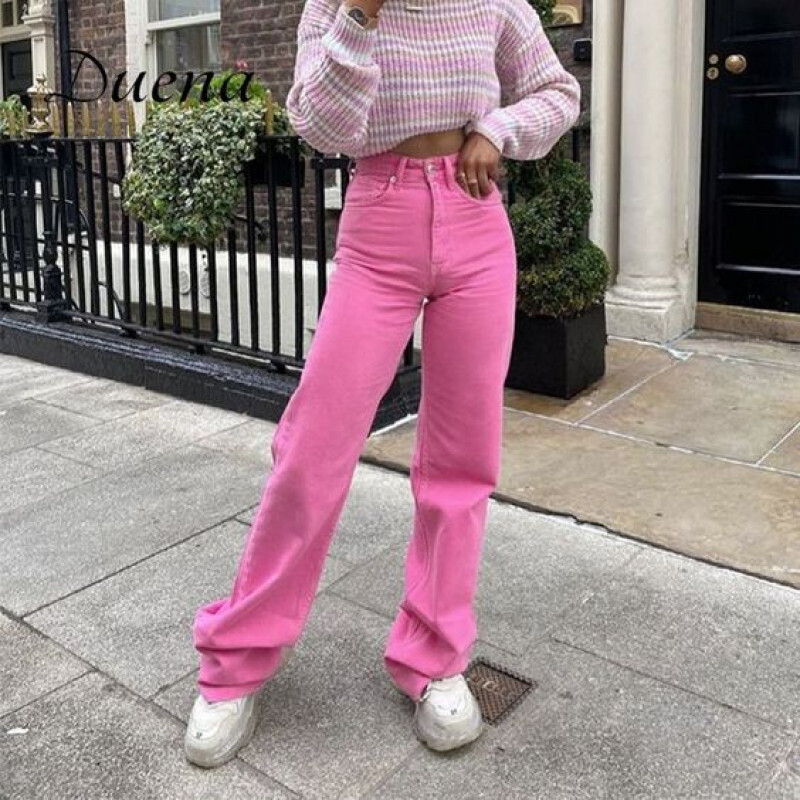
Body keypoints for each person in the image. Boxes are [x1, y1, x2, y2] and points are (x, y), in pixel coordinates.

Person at [184, 0, 580, 768]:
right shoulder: (333, 8)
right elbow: (321, 126)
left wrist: (497, 130)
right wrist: (360, 15)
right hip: (380, 221)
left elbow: (557, 92)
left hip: (476, 225)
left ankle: (434, 656)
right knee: (313, 450)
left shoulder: (494, 4)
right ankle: (235, 662)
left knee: (463, 460)